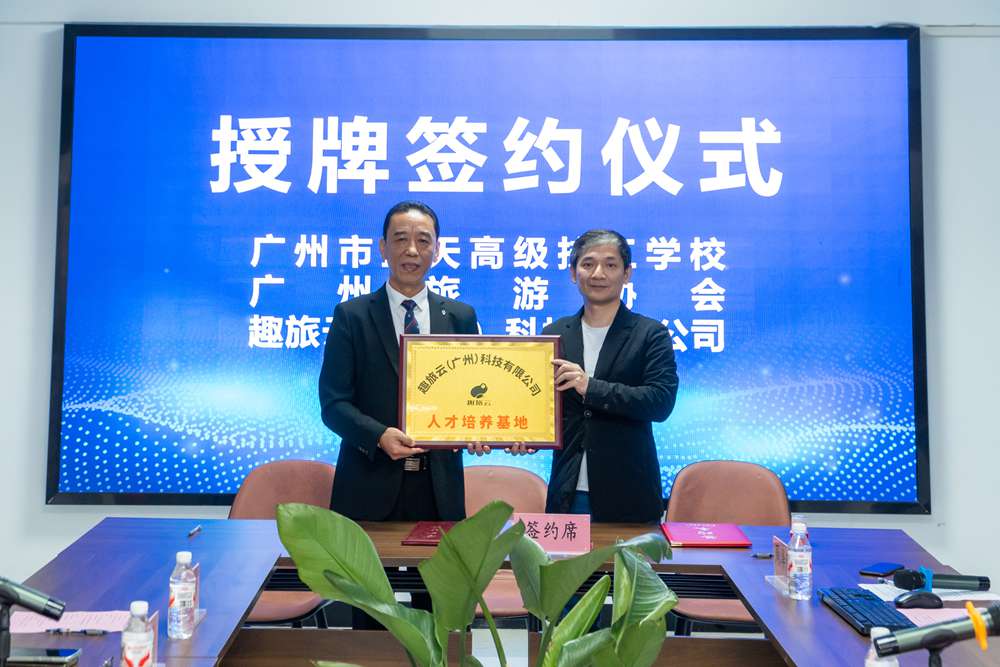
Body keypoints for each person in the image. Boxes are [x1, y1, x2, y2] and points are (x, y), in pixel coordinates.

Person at [319, 200, 483, 523]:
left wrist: (478, 428)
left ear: (437, 251)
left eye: (423, 240)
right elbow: (333, 404)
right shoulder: (352, 316)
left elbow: (472, 396)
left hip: (439, 491)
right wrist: (379, 436)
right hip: (368, 485)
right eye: (400, 239)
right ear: (383, 248)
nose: (412, 250)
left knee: (440, 560)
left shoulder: (460, 317)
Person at [544, 229, 679, 523]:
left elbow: (660, 402)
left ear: (627, 274)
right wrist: (520, 438)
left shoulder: (650, 334)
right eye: (588, 264)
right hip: (567, 491)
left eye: (610, 264)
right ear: (573, 273)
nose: (598, 273)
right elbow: (541, 408)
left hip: (628, 491)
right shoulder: (554, 334)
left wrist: (589, 387)